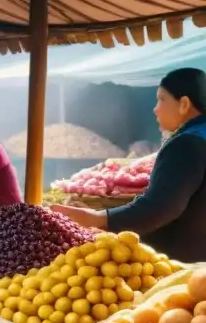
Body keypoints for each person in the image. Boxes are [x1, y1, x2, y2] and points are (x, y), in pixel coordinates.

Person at [53, 68, 206, 261]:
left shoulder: (186, 143)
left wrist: (100, 218)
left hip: (190, 263)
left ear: (184, 104)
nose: (155, 109)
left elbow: (160, 207)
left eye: (162, 99)